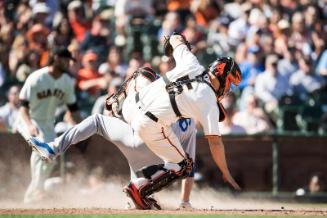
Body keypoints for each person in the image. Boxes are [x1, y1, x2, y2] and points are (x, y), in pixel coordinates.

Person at [28, 67, 197, 209]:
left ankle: (52, 148)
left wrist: (119, 107)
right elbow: (189, 168)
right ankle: (138, 198)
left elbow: (129, 111)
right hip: (156, 160)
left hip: (139, 139)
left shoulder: (157, 94)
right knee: (138, 190)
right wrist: (185, 201)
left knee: (96, 121)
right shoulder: (190, 120)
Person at [119, 34, 241, 209]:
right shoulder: (208, 101)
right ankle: (139, 188)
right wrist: (226, 172)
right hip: (149, 124)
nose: (228, 88)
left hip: (130, 105)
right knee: (183, 165)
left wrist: (172, 42)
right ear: (222, 76)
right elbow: (215, 142)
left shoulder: (191, 62)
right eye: (229, 82)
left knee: (147, 76)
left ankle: (115, 105)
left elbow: (175, 38)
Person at [16, 47, 81, 204]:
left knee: (51, 156)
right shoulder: (37, 78)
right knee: (42, 147)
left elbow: (73, 110)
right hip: (28, 120)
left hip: (47, 124)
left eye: (70, 61)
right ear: (56, 58)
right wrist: (29, 125)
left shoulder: (66, 81)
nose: (68, 63)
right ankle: (36, 191)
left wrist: (84, 126)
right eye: (66, 60)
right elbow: (22, 107)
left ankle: (33, 192)